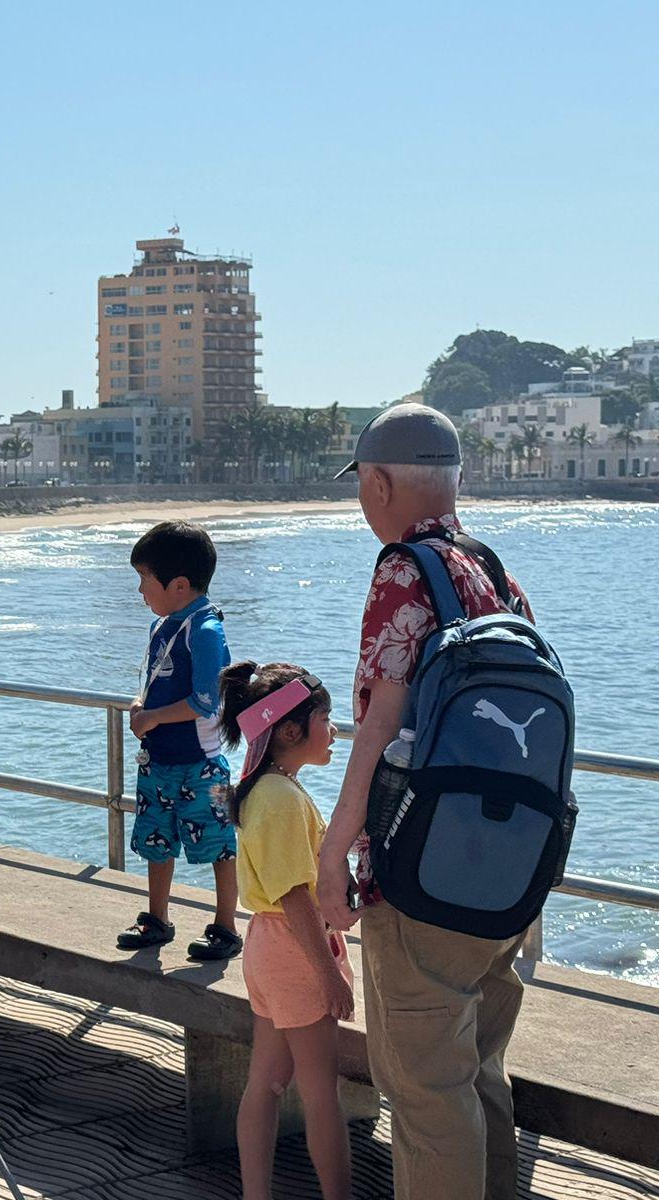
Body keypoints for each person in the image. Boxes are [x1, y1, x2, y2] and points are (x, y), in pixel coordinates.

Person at [317, 403, 534, 1200]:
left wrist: (333, 852)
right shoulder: (494, 570)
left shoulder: (402, 570)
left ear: (377, 482)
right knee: (478, 1076)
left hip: (425, 876)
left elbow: (378, 729)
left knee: (424, 1094)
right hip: (504, 872)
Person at [220, 661, 352, 1200]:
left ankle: (257, 1194)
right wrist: (329, 973)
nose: (335, 729)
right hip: (296, 950)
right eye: (327, 717)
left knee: (268, 1082)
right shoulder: (278, 797)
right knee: (322, 1092)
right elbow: (294, 895)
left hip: (268, 947)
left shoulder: (272, 789)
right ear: (291, 729)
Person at [116, 520, 241, 960]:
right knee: (156, 840)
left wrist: (151, 717)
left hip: (203, 761)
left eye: (144, 580)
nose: (140, 592)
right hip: (159, 759)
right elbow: (154, 682)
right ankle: (157, 917)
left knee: (220, 846)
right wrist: (140, 705)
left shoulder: (205, 630)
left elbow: (206, 701)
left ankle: (226, 926)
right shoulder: (164, 625)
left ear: (180, 585)